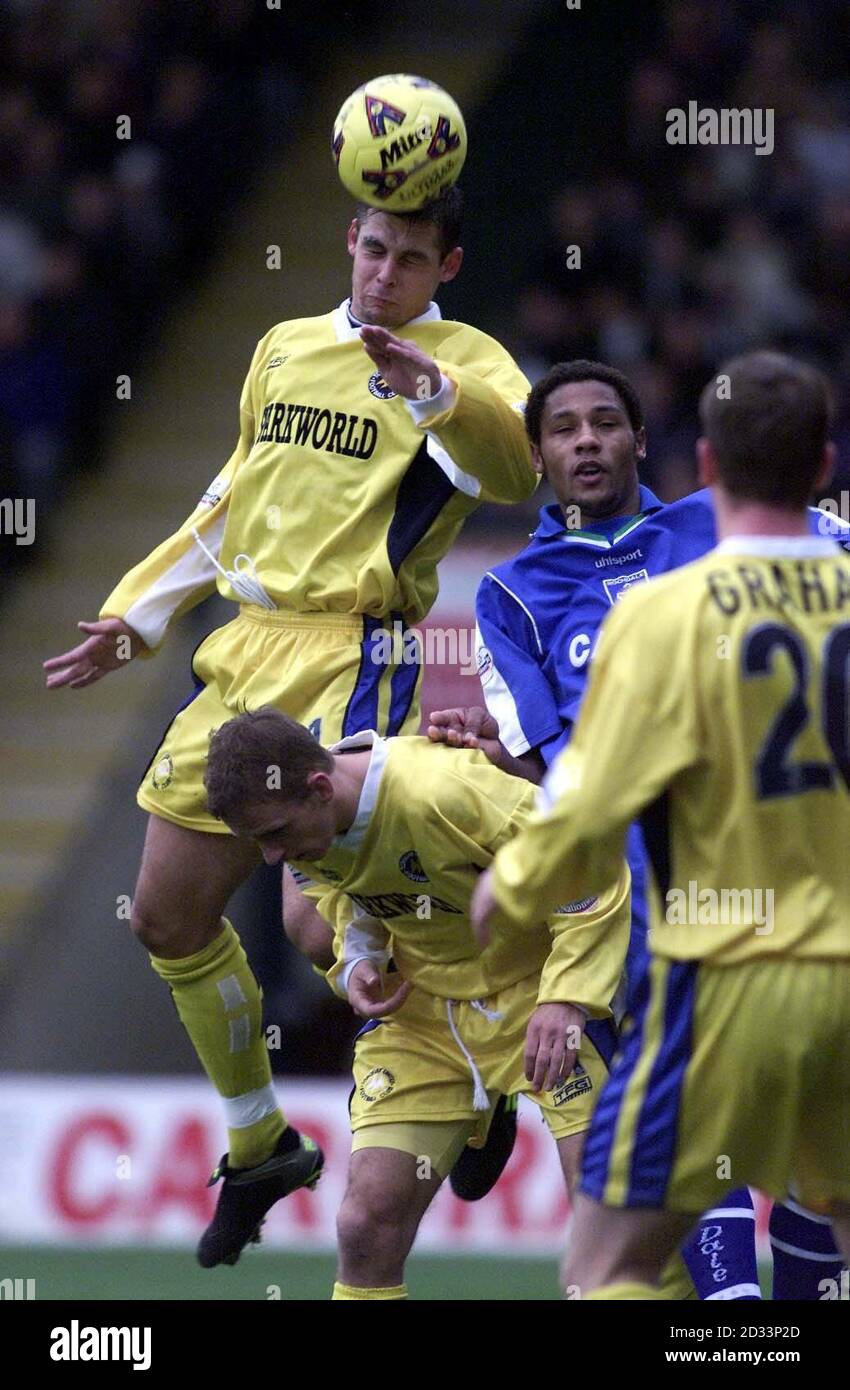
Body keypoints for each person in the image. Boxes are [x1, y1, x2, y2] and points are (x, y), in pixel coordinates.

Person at [42, 187, 537, 1267]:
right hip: (246, 643)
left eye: (410, 258)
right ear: (349, 243)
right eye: (372, 248)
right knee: (164, 917)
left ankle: (474, 1068)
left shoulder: (471, 360)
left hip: (357, 650)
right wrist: (135, 614)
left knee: (316, 931)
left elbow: (517, 472)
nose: (383, 273)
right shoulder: (282, 348)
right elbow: (230, 499)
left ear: (445, 267)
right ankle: (262, 1141)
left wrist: (439, 396)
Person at [431, 357, 848, 1300]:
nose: (587, 441)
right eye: (566, 427)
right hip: (800, 935)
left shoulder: (662, 607)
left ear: (689, 456)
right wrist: (500, 763)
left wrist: (520, 880)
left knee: (611, 1261)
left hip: (701, 949)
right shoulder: (514, 594)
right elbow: (549, 760)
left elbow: (583, 779)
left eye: (606, 422)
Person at [203, 705, 630, 1301]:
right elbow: (341, 887)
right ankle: (483, 1114)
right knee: (364, 1225)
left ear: (321, 788)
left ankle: (491, 1108)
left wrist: (567, 1000)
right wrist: (359, 961)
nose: (272, 857)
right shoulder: (308, 828)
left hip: (536, 996)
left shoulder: (445, 792)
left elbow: (592, 869)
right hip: (422, 1012)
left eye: (274, 835)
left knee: (604, 1217)